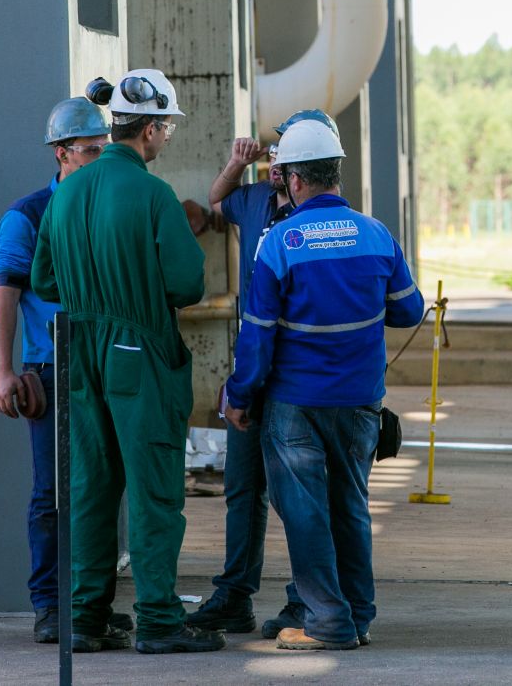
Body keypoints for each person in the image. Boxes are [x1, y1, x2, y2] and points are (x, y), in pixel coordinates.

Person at [30, 68, 220, 655]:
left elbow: (44, 279)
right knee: (154, 485)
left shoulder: (68, 192)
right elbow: (188, 283)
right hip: (138, 352)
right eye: (167, 128)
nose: (167, 139)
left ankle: (84, 617)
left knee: (90, 485)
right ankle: (159, 620)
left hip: (77, 353)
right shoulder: (153, 194)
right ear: (154, 129)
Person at [222, 119, 425, 652]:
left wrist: (240, 396)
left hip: (297, 405)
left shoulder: (280, 242)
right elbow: (409, 310)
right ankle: (357, 615)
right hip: (360, 402)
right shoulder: (376, 233)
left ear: (290, 179)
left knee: (307, 513)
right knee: (351, 506)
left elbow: (258, 336)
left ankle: (328, 621)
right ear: (336, 172)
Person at [186, 109, 338, 639]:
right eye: (275, 152)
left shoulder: (326, 221)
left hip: (297, 378)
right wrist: (235, 162)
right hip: (252, 367)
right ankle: (234, 595)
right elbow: (215, 199)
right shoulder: (253, 200)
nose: (276, 161)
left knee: (299, 493)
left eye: (285, 155)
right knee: (242, 486)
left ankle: (306, 599)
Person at [0, 97, 118, 644]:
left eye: (104, 150)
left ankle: (89, 607)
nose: (99, 159)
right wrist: (3, 372)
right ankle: (49, 606)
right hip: (52, 367)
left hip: (107, 363)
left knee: (102, 489)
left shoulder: (112, 206)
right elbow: (5, 297)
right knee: (52, 494)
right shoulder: (29, 215)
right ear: (62, 153)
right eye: (90, 151)